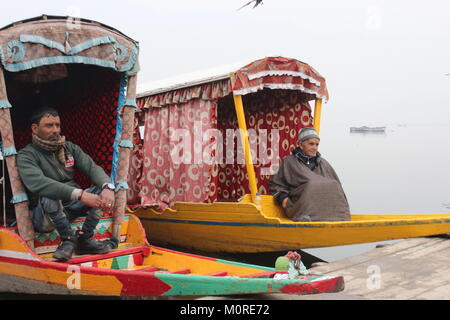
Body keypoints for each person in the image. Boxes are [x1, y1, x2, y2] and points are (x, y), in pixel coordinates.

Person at [17, 107, 117, 261]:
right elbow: (38, 183)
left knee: (103, 190)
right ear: (35, 128)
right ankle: (68, 240)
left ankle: (85, 239)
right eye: (49, 125)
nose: (56, 130)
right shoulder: (26, 155)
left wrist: (107, 187)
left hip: (72, 206)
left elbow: (91, 167)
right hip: (45, 215)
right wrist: (80, 195)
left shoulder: (69, 148)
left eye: (57, 125)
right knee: (49, 194)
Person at [268, 127, 350, 222]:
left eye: (317, 144)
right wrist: (284, 199)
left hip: (327, 212)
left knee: (334, 185)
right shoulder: (288, 162)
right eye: (311, 144)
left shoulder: (324, 163)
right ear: (300, 144)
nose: (315, 148)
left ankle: (341, 218)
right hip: (299, 209)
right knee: (312, 185)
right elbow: (275, 184)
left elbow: (337, 188)